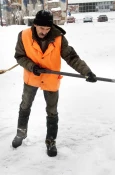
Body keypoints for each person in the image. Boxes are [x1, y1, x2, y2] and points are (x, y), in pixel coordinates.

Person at [12, 10, 97, 157]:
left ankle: (51, 141)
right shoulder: (24, 35)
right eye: (41, 28)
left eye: (47, 29)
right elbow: (19, 56)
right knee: (25, 106)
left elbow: (71, 57)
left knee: (52, 111)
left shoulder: (58, 38)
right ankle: (20, 133)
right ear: (35, 25)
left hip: (51, 79)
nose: (44, 31)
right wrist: (32, 67)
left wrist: (86, 72)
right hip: (32, 77)